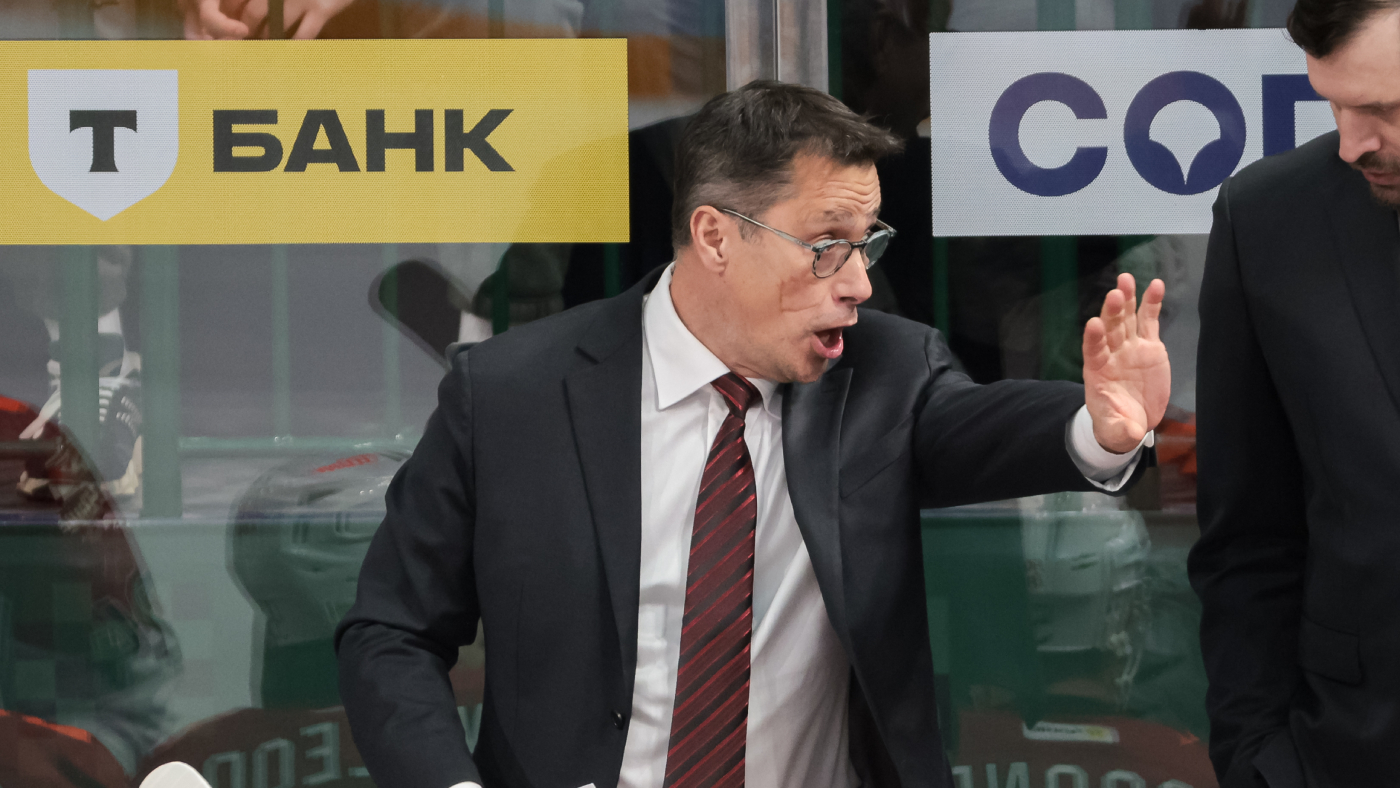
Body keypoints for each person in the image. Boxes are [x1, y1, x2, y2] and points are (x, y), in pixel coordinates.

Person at [335, 80, 1169, 788]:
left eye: (867, 244)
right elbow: (392, 633)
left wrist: (1097, 428)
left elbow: (979, 428)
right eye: (826, 246)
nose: (858, 282)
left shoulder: (885, 373)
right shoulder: (513, 394)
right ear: (715, 237)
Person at [1190, 1, 1400, 786]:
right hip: (1354, 751)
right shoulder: (1271, 219)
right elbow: (1246, 535)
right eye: (1335, 105)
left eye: (1385, 109)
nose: (1353, 143)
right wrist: (1259, 762)